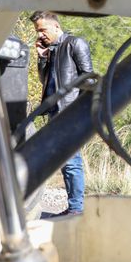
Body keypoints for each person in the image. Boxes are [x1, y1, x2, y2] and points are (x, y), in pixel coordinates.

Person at [30, 11, 93, 215]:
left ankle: (76, 208)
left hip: (71, 112)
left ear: (56, 26)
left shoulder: (75, 44)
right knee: (64, 161)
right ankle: (74, 207)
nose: (40, 35)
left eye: (42, 30)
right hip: (55, 113)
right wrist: (42, 59)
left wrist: (81, 112)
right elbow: (45, 80)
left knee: (71, 160)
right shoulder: (52, 50)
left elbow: (89, 79)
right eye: (37, 31)